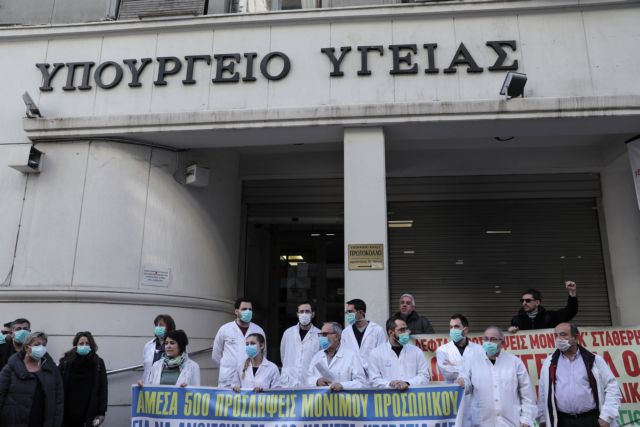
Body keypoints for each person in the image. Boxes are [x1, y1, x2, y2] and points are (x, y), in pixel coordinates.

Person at [538, 322, 621, 427]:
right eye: (556, 335)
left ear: (576, 337)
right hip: (562, 421)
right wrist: (543, 418)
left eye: (563, 334)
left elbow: (612, 387)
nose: (558, 339)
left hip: (590, 420)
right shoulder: (549, 363)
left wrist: (606, 417)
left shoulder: (594, 360)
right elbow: (543, 392)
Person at [456, 326, 536, 427]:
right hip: (482, 423)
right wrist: (462, 382)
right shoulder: (473, 362)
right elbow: (465, 382)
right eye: (486, 339)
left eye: (493, 339)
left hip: (511, 423)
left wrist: (526, 419)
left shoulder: (515, 362)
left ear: (502, 343)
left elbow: (527, 394)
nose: (489, 342)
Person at [0, 331, 64, 427]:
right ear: (27, 347)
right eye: (37, 345)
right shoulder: (11, 368)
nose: (41, 348)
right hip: (14, 421)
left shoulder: (51, 368)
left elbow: (58, 400)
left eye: (44, 345)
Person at [212, 298, 266, 386]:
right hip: (228, 379)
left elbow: (263, 355)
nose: (248, 312)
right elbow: (216, 355)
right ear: (236, 311)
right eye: (244, 309)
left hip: (249, 380)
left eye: (250, 309)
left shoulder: (259, 331)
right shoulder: (225, 329)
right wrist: (226, 368)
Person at [58, 331, 108, 427]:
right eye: (81, 343)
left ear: (91, 345)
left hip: (89, 413)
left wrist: (101, 412)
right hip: (67, 413)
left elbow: (103, 388)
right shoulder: (65, 362)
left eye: (87, 343)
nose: (84, 346)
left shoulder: (98, 363)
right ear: (75, 345)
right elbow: (58, 386)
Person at [368, 317, 430, 389]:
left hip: (412, 395)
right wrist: (389, 384)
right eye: (401, 330)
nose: (406, 333)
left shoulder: (416, 351)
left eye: (406, 329)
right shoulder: (376, 353)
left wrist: (408, 383)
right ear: (390, 332)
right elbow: (374, 380)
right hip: (388, 395)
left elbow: (424, 376)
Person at [307, 322, 366, 391]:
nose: (322, 337)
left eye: (325, 334)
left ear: (336, 336)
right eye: (320, 334)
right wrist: (316, 382)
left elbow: (361, 382)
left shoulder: (351, 356)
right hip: (321, 397)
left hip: (343, 397)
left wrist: (342, 385)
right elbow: (308, 378)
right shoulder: (317, 356)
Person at [340, 298, 387, 379]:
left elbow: (381, 354)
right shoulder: (345, 332)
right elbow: (344, 355)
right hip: (352, 376)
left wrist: (368, 368)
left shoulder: (377, 330)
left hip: (372, 375)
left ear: (361, 312)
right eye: (347, 312)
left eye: (350, 312)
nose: (348, 314)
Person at [279, 302, 320, 387]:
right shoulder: (288, 333)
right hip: (289, 383)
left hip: (310, 383)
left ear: (313, 314)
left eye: (307, 311)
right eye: (301, 311)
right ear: (297, 314)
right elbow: (283, 355)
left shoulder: (319, 334)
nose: (304, 314)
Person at [509, 281, 578, 332]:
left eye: (528, 300)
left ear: (537, 302)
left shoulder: (550, 317)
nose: (524, 303)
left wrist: (572, 292)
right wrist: (511, 332)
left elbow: (570, 312)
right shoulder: (516, 320)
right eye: (522, 301)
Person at [436, 314, 483, 382]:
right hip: (453, 388)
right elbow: (448, 373)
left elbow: (481, 372)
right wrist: (470, 370)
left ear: (465, 330)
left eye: (456, 327)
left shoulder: (479, 349)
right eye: (451, 327)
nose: (453, 330)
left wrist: (454, 366)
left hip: (474, 388)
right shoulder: (442, 350)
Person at [142, 314, 176, 382]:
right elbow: (145, 367)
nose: (157, 327)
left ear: (169, 327)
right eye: (156, 325)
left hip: (167, 384)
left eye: (161, 325)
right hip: (148, 385)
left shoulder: (177, 345)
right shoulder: (148, 345)